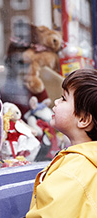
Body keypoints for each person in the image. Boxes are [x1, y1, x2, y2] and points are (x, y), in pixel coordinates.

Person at [26, 68, 97, 217]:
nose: (57, 102)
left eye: (64, 98)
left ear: (83, 119)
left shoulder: (72, 171)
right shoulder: (87, 162)